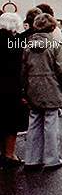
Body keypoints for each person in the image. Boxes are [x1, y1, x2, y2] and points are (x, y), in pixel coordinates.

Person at [21, 13, 62, 171]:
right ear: (53, 27)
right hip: (51, 85)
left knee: (34, 122)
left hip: (32, 86)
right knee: (51, 122)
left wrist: (24, 89)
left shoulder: (27, 45)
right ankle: (51, 159)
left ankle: (31, 159)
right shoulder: (55, 45)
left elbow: (23, 70)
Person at [0, 13, 28, 168]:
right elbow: (20, 67)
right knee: (11, 122)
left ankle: (2, 153)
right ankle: (10, 154)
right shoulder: (14, 43)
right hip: (10, 87)